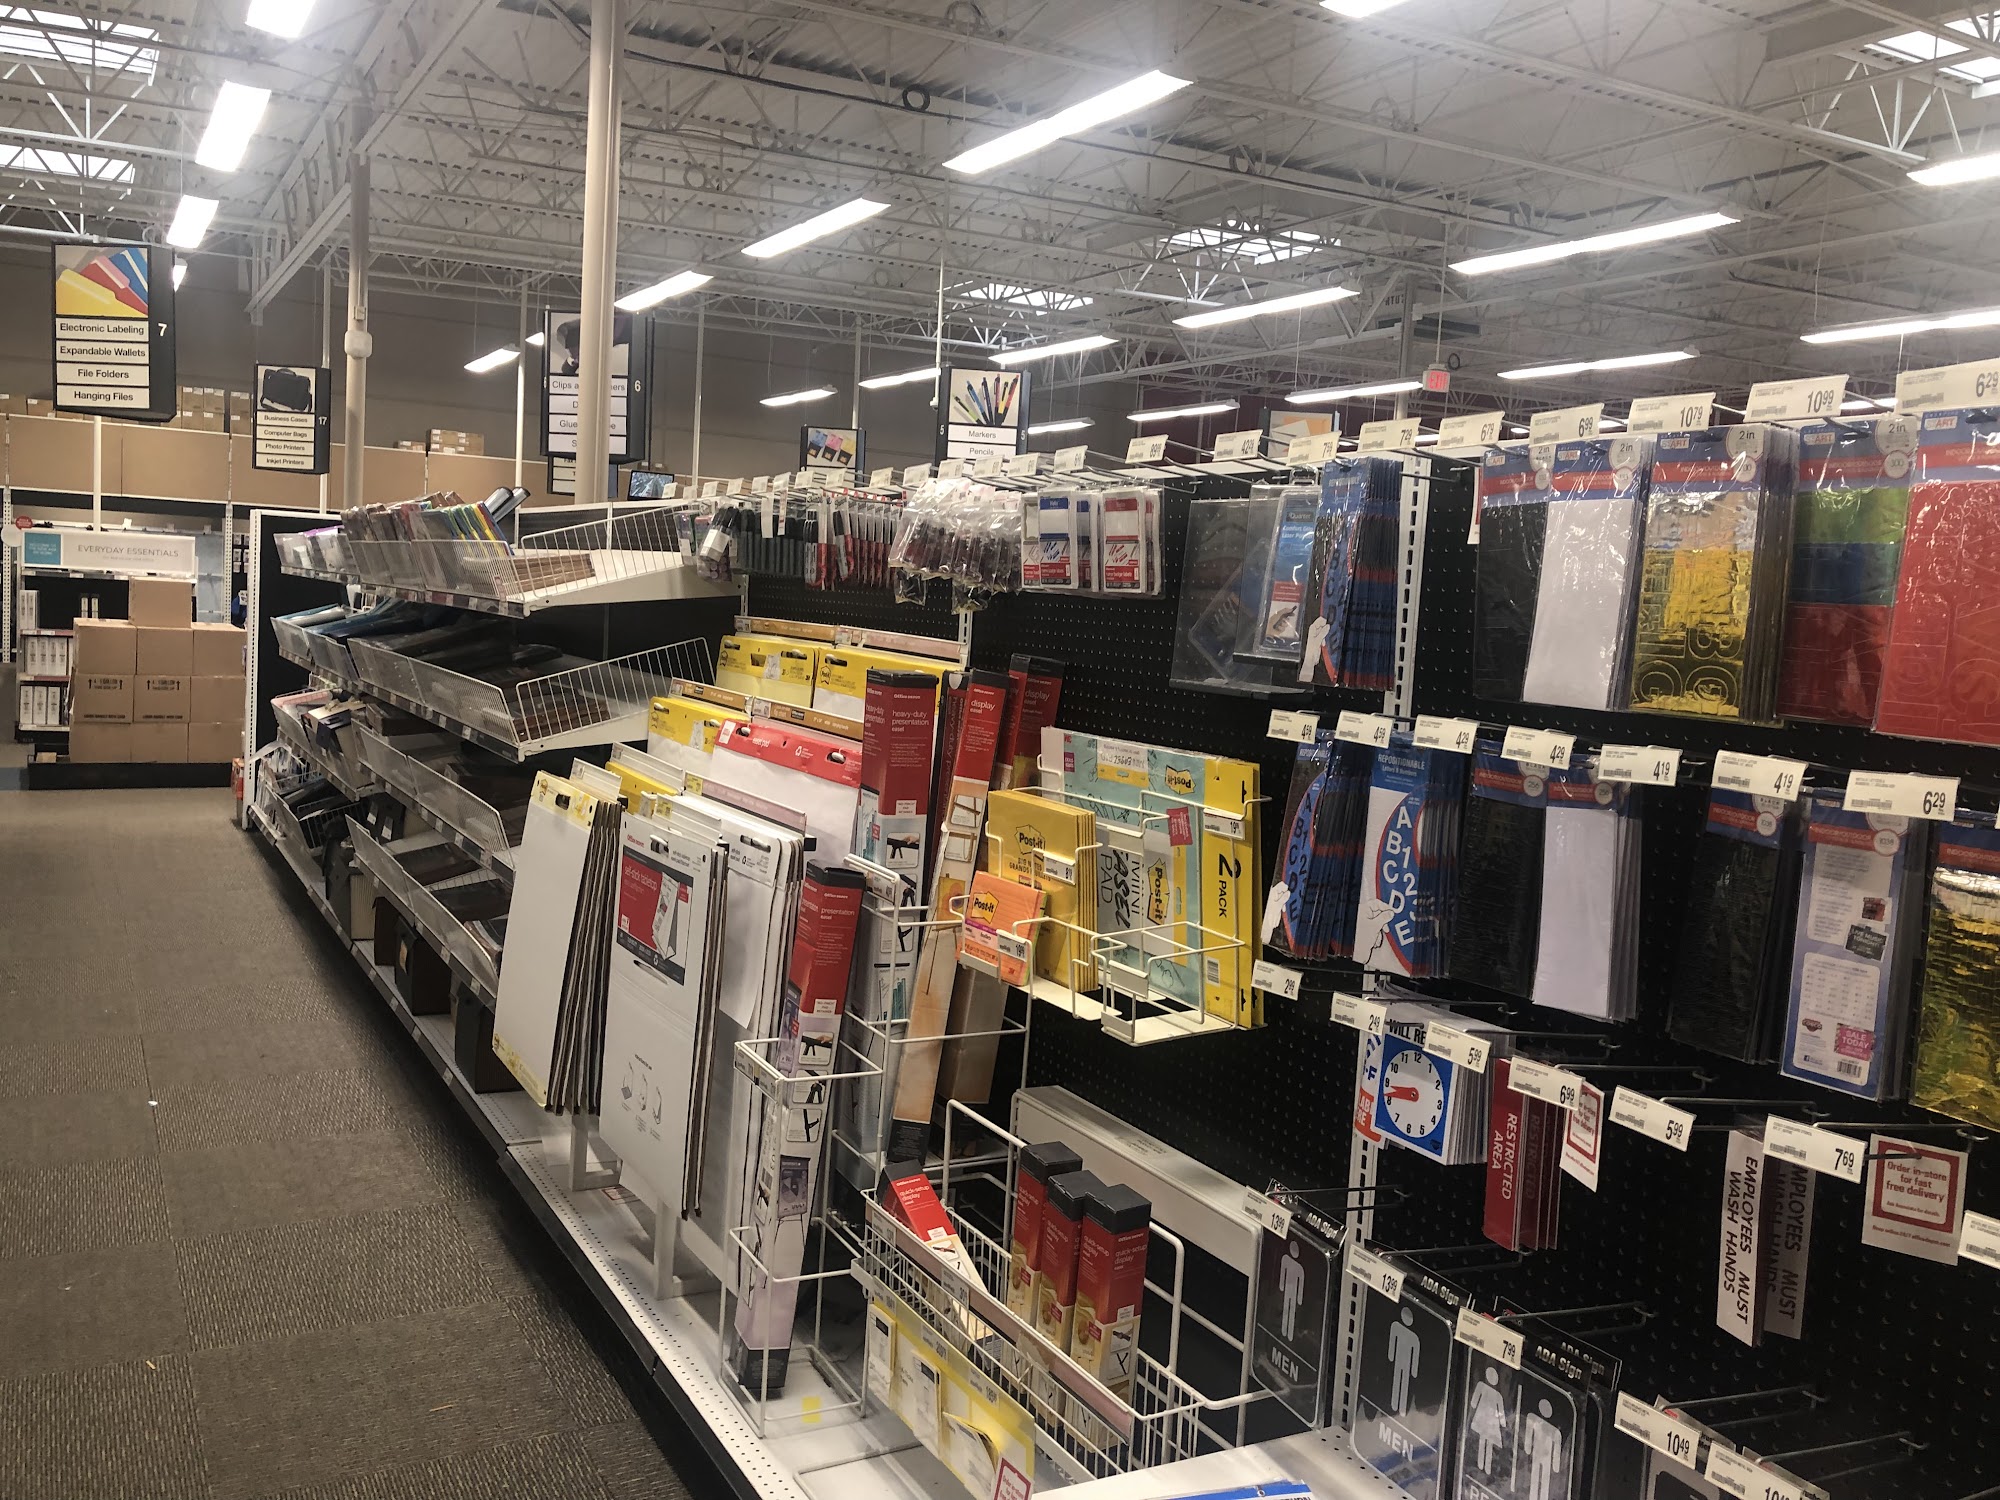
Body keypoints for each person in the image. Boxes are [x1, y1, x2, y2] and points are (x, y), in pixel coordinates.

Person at [1521, 1397, 1564, 1500]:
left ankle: (1541, 1496)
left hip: (1546, 1457)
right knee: (1536, 1476)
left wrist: (1556, 1464)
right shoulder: (1537, 1423)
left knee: (1544, 1479)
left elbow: (1557, 1448)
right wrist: (1527, 1448)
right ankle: (1533, 1496)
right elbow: (1529, 1435)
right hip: (1538, 1454)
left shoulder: (1553, 1430)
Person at [1467, 1364, 1508, 1473]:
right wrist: (1503, 1423)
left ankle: (1483, 1465)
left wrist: (1503, 1422)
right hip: (1490, 1421)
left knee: (1485, 1441)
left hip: (1485, 1419)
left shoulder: (1484, 1387)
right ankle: (1484, 1466)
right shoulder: (1494, 1393)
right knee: (1486, 1442)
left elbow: (1474, 1402)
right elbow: (1501, 1411)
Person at [1386, 1304, 1421, 1415]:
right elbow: (1393, 1340)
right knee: (1397, 1380)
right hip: (1399, 1361)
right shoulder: (1397, 1327)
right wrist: (1391, 1355)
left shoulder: (1413, 1336)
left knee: (1404, 1383)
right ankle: (1395, 1404)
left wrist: (1414, 1370)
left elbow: (1416, 1352)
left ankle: (1400, 1408)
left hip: (1406, 1364)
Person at [1277, 1239, 1307, 1340]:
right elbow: (1283, 1273)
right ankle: (1284, 1331)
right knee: (1286, 1309)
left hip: (1293, 1292)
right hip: (1287, 1289)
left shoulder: (1299, 1267)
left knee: (1291, 1312)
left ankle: (1289, 1334)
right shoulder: (1286, 1259)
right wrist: (1282, 1286)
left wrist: (1299, 1298)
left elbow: (1301, 1282)